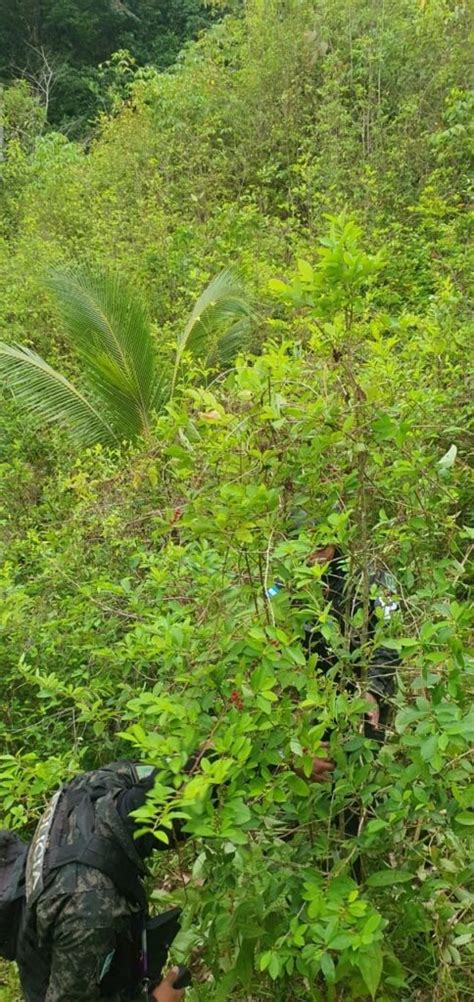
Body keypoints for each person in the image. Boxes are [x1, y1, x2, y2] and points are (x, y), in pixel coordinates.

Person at [14, 761, 191, 1001]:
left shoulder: (98, 781)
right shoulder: (90, 907)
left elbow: (161, 769)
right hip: (51, 976)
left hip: (50, 929)